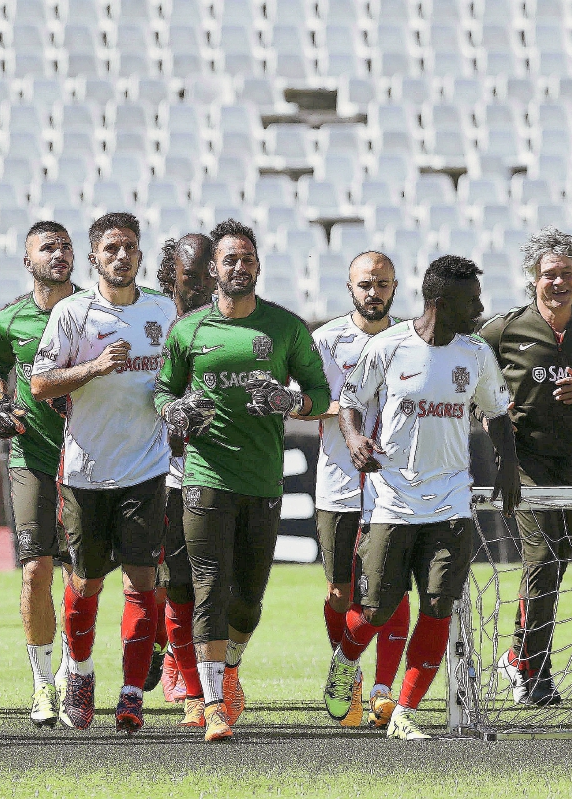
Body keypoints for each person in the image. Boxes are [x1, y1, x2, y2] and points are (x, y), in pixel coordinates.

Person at [326, 254, 521, 741]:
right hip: (391, 498)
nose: (479, 309)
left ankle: (403, 711)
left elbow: (495, 413)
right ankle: (346, 659)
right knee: (375, 610)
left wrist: (507, 464)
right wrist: (353, 440)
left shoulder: (475, 353)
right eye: (470, 300)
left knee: (438, 604)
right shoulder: (389, 347)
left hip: (450, 499)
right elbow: (350, 401)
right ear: (439, 302)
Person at [155, 218, 331, 741]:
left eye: (247, 260)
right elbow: (162, 393)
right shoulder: (188, 331)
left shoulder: (285, 327)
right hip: (204, 477)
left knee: (248, 597)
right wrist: (178, 411)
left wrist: (290, 401)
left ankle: (230, 667)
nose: (239, 267)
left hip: (262, 480)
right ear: (214, 270)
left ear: (258, 267)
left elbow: (320, 394)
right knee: (208, 584)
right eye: (229, 259)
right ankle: (210, 702)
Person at [30, 212, 176, 734]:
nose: (121, 256)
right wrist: (92, 368)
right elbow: (40, 384)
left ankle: (132, 693)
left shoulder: (163, 310)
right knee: (85, 583)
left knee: (142, 581)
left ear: (140, 255)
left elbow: (179, 378)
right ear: (94, 257)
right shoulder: (72, 313)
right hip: (86, 470)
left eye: (130, 248)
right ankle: (82, 673)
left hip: (146, 468)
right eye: (111, 248)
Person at [478, 227, 572, 706]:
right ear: (533, 279)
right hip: (523, 463)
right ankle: (535, 676)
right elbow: (465, 368)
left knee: (558, 563)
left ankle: (517, 655)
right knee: (541, 561)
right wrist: (485, 410)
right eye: (549, 275)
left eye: (566, 274)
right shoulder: (506, 329)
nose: (558, 282)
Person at [305, 251, 411, 729]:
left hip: (397, 487)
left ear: (395, 287)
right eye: (366, 285)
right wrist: (342, 410)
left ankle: (384, 691)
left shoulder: (412, 341)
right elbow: (298, 404)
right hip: (340, 484)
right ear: (351, 288)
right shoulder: (325, 341)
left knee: (394, 590)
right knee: (340, 592)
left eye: (383, 284)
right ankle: (346, 675)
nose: (375, 293)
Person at [0, 220, 81, 728]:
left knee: (82, 575)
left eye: (65, 246)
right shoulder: (9, 321)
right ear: (29, 261)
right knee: (34, 569)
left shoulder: (93, 312)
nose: (58, 253)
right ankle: (43, 684)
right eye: (48, 247)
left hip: (90, 457)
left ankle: (73, 669)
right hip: (31, 456)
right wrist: (2, 405)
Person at [151, 234, 216, 728]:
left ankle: (197, 668)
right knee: (166, 580)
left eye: (208, 274)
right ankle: (177, 661)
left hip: (212, 472)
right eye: (192, 276)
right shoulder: (150, 322)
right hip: (150, 469)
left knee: (217, 584)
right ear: (171, 275)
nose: (202, 286)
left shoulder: (227, 324)